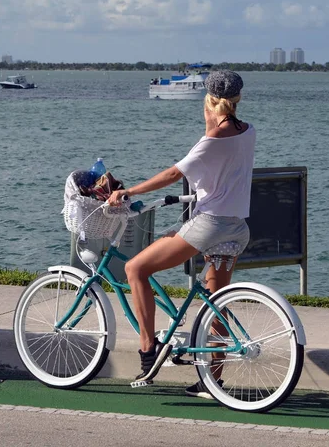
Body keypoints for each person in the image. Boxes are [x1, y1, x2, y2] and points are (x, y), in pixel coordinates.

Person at [107, 70, 256, 396]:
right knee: (216, 301)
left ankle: (148, 352)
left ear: (210, 102)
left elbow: (174, 173)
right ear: (238, 100)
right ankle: (213, 380)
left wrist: (128, 192)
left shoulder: (210, 141)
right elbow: (223, 174)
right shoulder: (248, 131)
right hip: (237, 227)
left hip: (210, 225)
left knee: (136, 268)